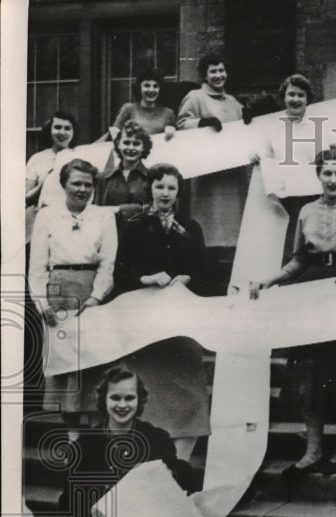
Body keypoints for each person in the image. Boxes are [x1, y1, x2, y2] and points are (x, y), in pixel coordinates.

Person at [251, 149, 336, 478]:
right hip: (312, 292)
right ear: (318, 176)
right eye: (327, 173)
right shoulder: (307, 211)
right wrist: (272, 278)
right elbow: (299, 259)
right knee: (311, 373)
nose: (333, 179)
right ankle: (312, 449)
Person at [56, 365, 204, 517]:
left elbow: (187, 479)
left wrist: (171, 472)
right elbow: (70, 498)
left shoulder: (156, 438)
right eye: (115, 397)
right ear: (104, 400)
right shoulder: (85, 444)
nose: (122, 405)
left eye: (129, 398)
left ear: (139, 400)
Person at [113, 163, 211, 461]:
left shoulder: (191, 227)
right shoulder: (134, 226)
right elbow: (120, 274)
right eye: (159, 186)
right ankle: (146, 462)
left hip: (181, 321)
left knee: (189, 393)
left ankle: (179, 465)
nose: (165, 193)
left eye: (171, 187)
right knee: (148, 392)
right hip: (146, 323)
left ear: (179, 192)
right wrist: (146, 278)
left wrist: (188, 278)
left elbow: (205, 272)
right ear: (150, 189)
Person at [27, 159, 118, 428]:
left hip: (91, 293)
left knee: (93, 363)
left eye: (88, 184)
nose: (82, 189)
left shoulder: (103, 217)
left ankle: (97, 438)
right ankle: (73, 438)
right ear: (64, 185)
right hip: (58, 291)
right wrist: (42, 304)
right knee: (65, 367)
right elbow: (37, 266)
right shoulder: (47, 215)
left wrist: (96, 296)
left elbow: (108, 262)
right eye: (76, 183)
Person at [176, 51, 248, 247]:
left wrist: (248, 119)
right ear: (205, 76)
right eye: (213, 71)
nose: (218, 75)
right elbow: (181, 124)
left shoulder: (233, 102)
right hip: (207, 176)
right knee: (208, 223)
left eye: (221, 70)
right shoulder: (195, 97)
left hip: (231, 175)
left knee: (232, 224)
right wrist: (201, 122)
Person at [250, 73, 322, 260]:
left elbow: (324, 160)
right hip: (284, 197)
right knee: (288, 245)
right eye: (291, 94)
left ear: (307, 99)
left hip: (312, 196)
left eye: (300, 95)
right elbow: (266, 156)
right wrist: (258, 157)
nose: (295, 99)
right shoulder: (273, 127)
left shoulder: (316, 126)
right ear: (284, 97)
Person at [94, 121, 152, 226]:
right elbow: (96, 211)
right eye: (126, 142)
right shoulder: (103, 178)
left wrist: (119, 210)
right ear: (118, 144)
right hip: (110, 233)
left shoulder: (151, 177)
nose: (131, 148)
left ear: (144, 147)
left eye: (136, 144)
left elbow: (152, 210)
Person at [101, 69, 177, 141]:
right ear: (139, 87)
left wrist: (172, 131)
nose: (151, 90)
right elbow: (114, 133)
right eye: (147, 85)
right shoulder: (128, 109)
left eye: (155, 86)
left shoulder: (169, 113)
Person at [25, 110, 77, 211]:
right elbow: (26, 198)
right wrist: (45, 181)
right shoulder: (37, 159)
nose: (62, 132)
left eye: (67, 128)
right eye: (57, 127)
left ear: (73, 132)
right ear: (50, 130)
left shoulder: (79, 156)